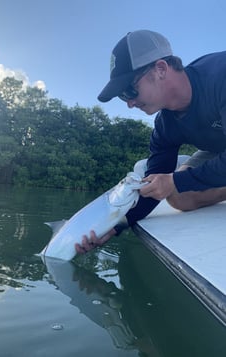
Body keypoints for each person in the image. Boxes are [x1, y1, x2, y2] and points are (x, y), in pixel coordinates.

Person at [75, 29, 226, 254]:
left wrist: (175, 180)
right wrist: (116, 225)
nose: (129, 102)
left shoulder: (220, 77)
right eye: (123, 96)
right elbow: (152, 185)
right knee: (178, 195)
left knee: (178, 182)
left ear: (161, 69)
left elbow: (173, 180)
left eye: (129, 90)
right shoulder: (165, 125)